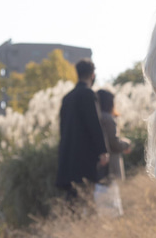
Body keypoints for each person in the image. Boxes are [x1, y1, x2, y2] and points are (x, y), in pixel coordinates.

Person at [56, 59, 109, 203]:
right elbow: (94, 124)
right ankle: (86, 224)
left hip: (68, 155)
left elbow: (62, 128)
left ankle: (73, 224)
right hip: (85, 156)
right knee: (87, 196)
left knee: (72, 199)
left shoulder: (67, 98)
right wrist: (102, 151)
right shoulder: (88, 94)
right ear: (92, 75)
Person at [97, 89, 132, 182]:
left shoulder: (95, 117)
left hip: (99, 164)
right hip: (111, 164)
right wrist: (127, 143)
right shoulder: (108, 119)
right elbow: (114, 143)